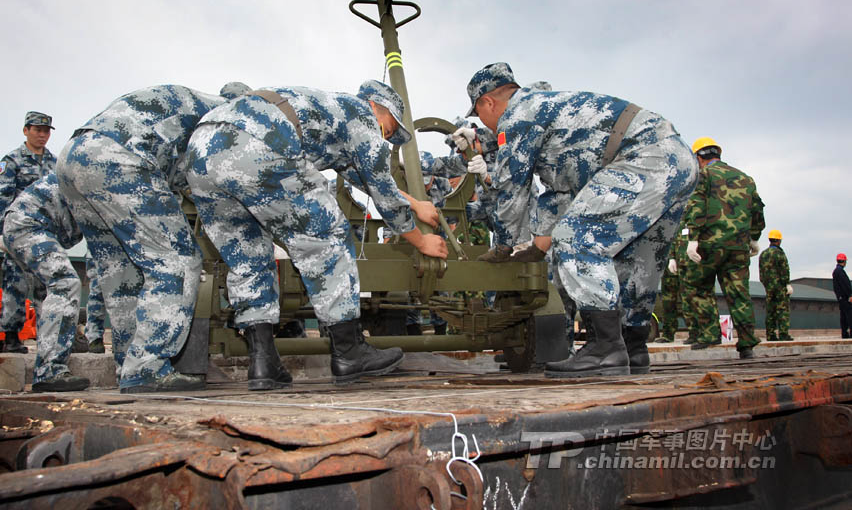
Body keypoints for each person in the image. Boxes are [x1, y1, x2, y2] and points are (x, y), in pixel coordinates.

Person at [185, 80, 448, 390]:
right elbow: (383, 192)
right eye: (390, 129)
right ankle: (349, 352)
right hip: (259, 141)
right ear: (378, 106)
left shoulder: (331, 111)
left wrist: (415, 203)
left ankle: (263, 363)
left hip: (203, 150)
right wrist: (421, 240)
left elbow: (364, 178)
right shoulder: (363, 116)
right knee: (328, 234)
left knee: (248, 254)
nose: (387, 138)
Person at [462, 62, 698, 377]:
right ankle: (632, 347)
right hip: (676, 159)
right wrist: (536, 246)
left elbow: (512, 188)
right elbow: (559, 196)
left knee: (576, 238)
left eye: (481, 117)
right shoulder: (548, 110)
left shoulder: (517, 115)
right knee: (639, 259)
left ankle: (605, 349)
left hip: (641, 158)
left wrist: (505, 245)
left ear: (487, 102)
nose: (488, 125)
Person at [57, 84, 234, 393]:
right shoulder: (221, 117)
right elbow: (202, 178)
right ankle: (147, 365)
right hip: (120, 158)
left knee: (121, 273)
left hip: (74, 155)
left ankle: (130, 364)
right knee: (177, 260)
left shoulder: (187, 101)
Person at [2, 173, 90, 392]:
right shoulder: (95, 171)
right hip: (29, 226)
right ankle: (50, 371)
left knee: (46, 298)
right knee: (65, 283)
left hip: (37, 228)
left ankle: (47, 366)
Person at [682, 137, 765, 359]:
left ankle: (709, 335)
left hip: (710, 245)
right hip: (738, 246)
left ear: (698, 157)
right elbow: (757, 210)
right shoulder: (745, 178)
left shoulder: (703, 175)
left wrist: (693, 238)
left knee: (698, 287)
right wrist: (754, 238)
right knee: (739, 293)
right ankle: (746, 344)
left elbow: (697, 205)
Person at [0, 111, 57, 353]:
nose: (42, 134)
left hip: (46, 232)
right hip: (19, 232)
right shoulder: (12, 161)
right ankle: (11, 337)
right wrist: (2, 232)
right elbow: (2, 198)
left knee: (47, 287)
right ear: (26, 131)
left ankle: (47, 340)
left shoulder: (54, 162)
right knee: (15, 285)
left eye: (46, 131)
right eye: (37, 130)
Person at [759, 229, 793, 341]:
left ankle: (771, 335)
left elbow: (761, 273)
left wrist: (766, 284)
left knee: (770, 311)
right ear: (778, 241)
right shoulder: (779, 254)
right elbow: (784, 271)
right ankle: (783, 334)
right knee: (782, 310)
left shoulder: (763, 254)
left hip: (768, 287)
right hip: (780, 287)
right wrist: (786, 284)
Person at [83, 255, 107, 353]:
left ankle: (121, 340)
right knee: (97, 289)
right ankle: (94, 338)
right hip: (99, 248)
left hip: (128, 248)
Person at [832, 253, 852, 339]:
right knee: (849, 315)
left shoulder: (836, 271)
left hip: (841, 298)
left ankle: (844, 333)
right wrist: (850, 295)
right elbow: (845, 285)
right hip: (845, 298)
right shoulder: (840, 272)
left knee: (843, 316)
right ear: (844, 261)